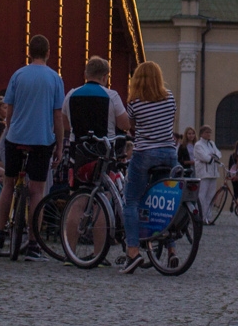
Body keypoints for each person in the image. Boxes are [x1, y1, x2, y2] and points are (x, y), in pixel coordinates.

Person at [0, 35, 67, 260]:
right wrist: (59, 145)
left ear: (29, 52)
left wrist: (10, 130)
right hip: (41, 139)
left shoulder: (18, 75)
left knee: (8, 184)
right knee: (37, 191)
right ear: (48, 53)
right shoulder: (55, 79)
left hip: (16, 137)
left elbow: (10, 110)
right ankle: (34, 243)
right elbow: (57, 115)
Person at [120, 61, 177, 273]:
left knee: (132, 201)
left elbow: (130, 125)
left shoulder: (135, 102)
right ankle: (172, 250)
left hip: (145, 153)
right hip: (170, 153)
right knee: (166, 201)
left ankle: (133, 251)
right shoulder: (169, 97)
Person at [65, 55, 127, 144]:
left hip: (77, 149)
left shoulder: (71, 95)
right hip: (104, 149)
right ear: (104, 77)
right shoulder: (112, 96)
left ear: (85, 75)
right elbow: (124, 124)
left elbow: (66, 124)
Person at [192, 125, 222, 213]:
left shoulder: (211, 143)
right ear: (202, 134)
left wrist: (213, 156)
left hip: (213, 172)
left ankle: (208, 217)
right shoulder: (198, 145)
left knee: (211, 196)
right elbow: (205, 157)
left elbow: (218, 153)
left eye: (210, 132)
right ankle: (201, 215)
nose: (209, 134)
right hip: (203, 173)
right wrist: (212, 157)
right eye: (207, 132)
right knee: (202, 195)